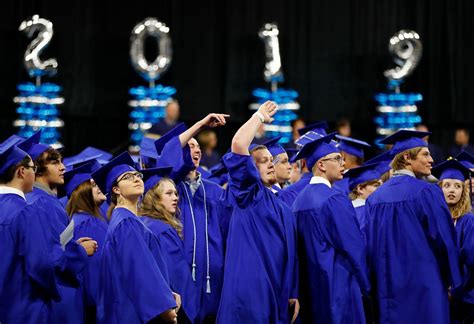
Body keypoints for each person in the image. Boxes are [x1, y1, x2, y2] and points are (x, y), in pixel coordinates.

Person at [365, 130, 462, 323]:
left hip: (389, 288)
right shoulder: (427, 192)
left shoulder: (375, 198)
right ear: (408, 158)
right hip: (426, 287)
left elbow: (370, 247)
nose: (432, 159)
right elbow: (443, 240)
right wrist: (453, 280)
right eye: (425, 154)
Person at [217, 101, 299, 323]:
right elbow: (238, 143)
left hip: (275, 289)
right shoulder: (248, 195)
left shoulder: (280, 204)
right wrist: (259, 117)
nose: (270, 165)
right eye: (262, 162)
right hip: (249, 290)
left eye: (271, 160)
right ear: (249, 169)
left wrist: (292, 291)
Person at [154, 113, 229, 323]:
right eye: (190, 145)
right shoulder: (171, 189)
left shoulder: (214, 191)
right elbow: (169, 152)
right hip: (182, 277)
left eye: (198, 147)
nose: (195, 149)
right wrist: (200, 125)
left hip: (213, 278)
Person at [91, 152, 180, 323]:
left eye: (137, 175)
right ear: (116, 189)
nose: (136, 179)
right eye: (128, 177)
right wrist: (164, 306)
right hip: (129, 311)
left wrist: (167, 293)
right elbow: (139, 271)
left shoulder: (128, 221)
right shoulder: (126, 223)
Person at [20, 131, 98, 324]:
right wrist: (80, 251)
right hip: (57, 297)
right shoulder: (42, 203)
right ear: (36, 168)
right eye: (54, 162)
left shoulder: (38, 200)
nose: (63, 167)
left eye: (61, 161)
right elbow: (49, 258)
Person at [292, 132, 370, 323]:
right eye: (337, 158)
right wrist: (367, 285)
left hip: (309, 287)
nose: (343, 163)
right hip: (338, 284)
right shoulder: (333, 198)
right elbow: (353, 246)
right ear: (321, 165)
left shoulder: (299, 202)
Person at [0, 142, 67, 322]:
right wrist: (55, 291)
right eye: (33, 167)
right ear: (21, 172)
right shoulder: (25, 211)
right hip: (25, 307)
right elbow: (40, 264)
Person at [140, 166, 198, 323]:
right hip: (172, 308)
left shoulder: (145, 224)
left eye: (176, 193)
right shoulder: (162, 230)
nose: (176, 198)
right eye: (169, 193)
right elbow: (176, 275)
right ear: (155, 198)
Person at [64, 160, 108, 323]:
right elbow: (93, 273)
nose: (101, 186)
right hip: (95, 310)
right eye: (94, 184)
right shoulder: (87, 223)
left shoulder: (81, 220)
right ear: (82, 192)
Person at [432, 159, 474, 322]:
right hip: (438, 292)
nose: (452, 190)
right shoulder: (434, 219)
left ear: (463, 191)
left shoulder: (468, 220)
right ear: (439, 188)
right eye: (447, 185)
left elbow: (471, 260)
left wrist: (455, 289)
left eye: (457, 186)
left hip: (464, 295)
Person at [344, 163, 383, 235]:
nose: (382, 189)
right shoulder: (367, 213)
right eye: (376, 185)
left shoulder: (343, 210)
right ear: (360, 189)